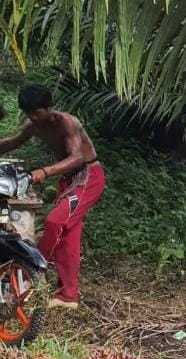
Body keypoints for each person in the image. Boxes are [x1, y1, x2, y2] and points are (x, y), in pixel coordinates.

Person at [0, 84, 104, 309]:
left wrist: (45, 171)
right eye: (29, 114)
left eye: (37, 113)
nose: (33, 118)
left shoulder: (67, 122)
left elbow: (77, 157)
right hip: (67, 181)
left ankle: (32, 271)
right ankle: (68, 295)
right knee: (68, 235)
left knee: (54, 221)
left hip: (87, 177)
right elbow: (13, 142)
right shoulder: (33, 125)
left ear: (48, 108)